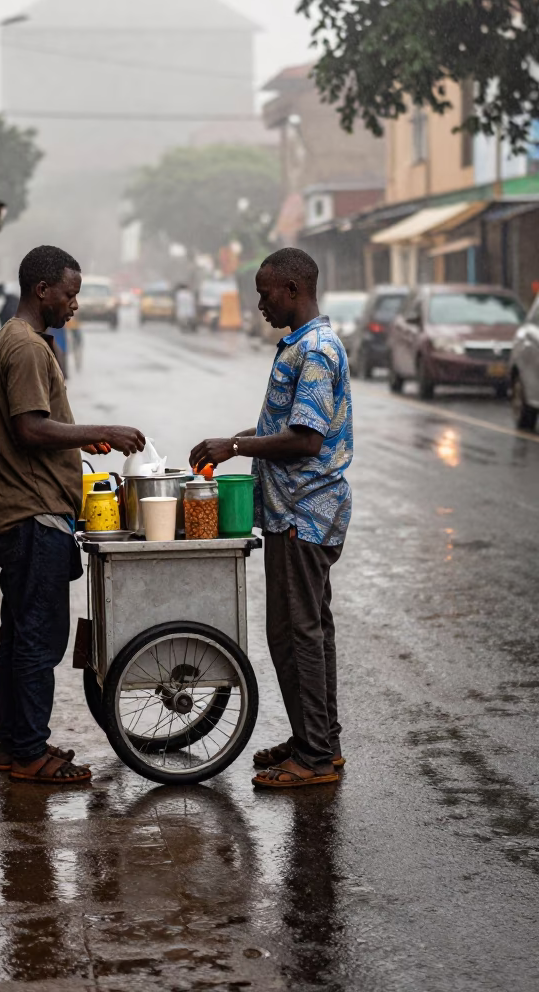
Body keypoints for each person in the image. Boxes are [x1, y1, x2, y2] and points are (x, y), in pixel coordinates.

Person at [190, 247, 353, 791]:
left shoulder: (316, 352)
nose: (258, 303)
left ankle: (312, 757)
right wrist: (235, 443)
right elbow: (284, 426)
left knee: (295, 633)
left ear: (291, 289)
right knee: (308, 631)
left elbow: (305, 440)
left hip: (301, 516)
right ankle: (319, 739)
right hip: (295, 512)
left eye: (264, 293)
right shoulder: (303, 346)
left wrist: (234, 445)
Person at [0, 244, 145, 785]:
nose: (75, 304)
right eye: (70, 294)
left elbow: (41, 428)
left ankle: (17, 745)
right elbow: (31, 429)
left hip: (27, 510)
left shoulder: (19, 339)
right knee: (38, 636)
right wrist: (103, 431)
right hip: (32, 514)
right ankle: (28, 753)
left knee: (20, 634)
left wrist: (76, 445)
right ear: (41, 290)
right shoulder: (26, 346)